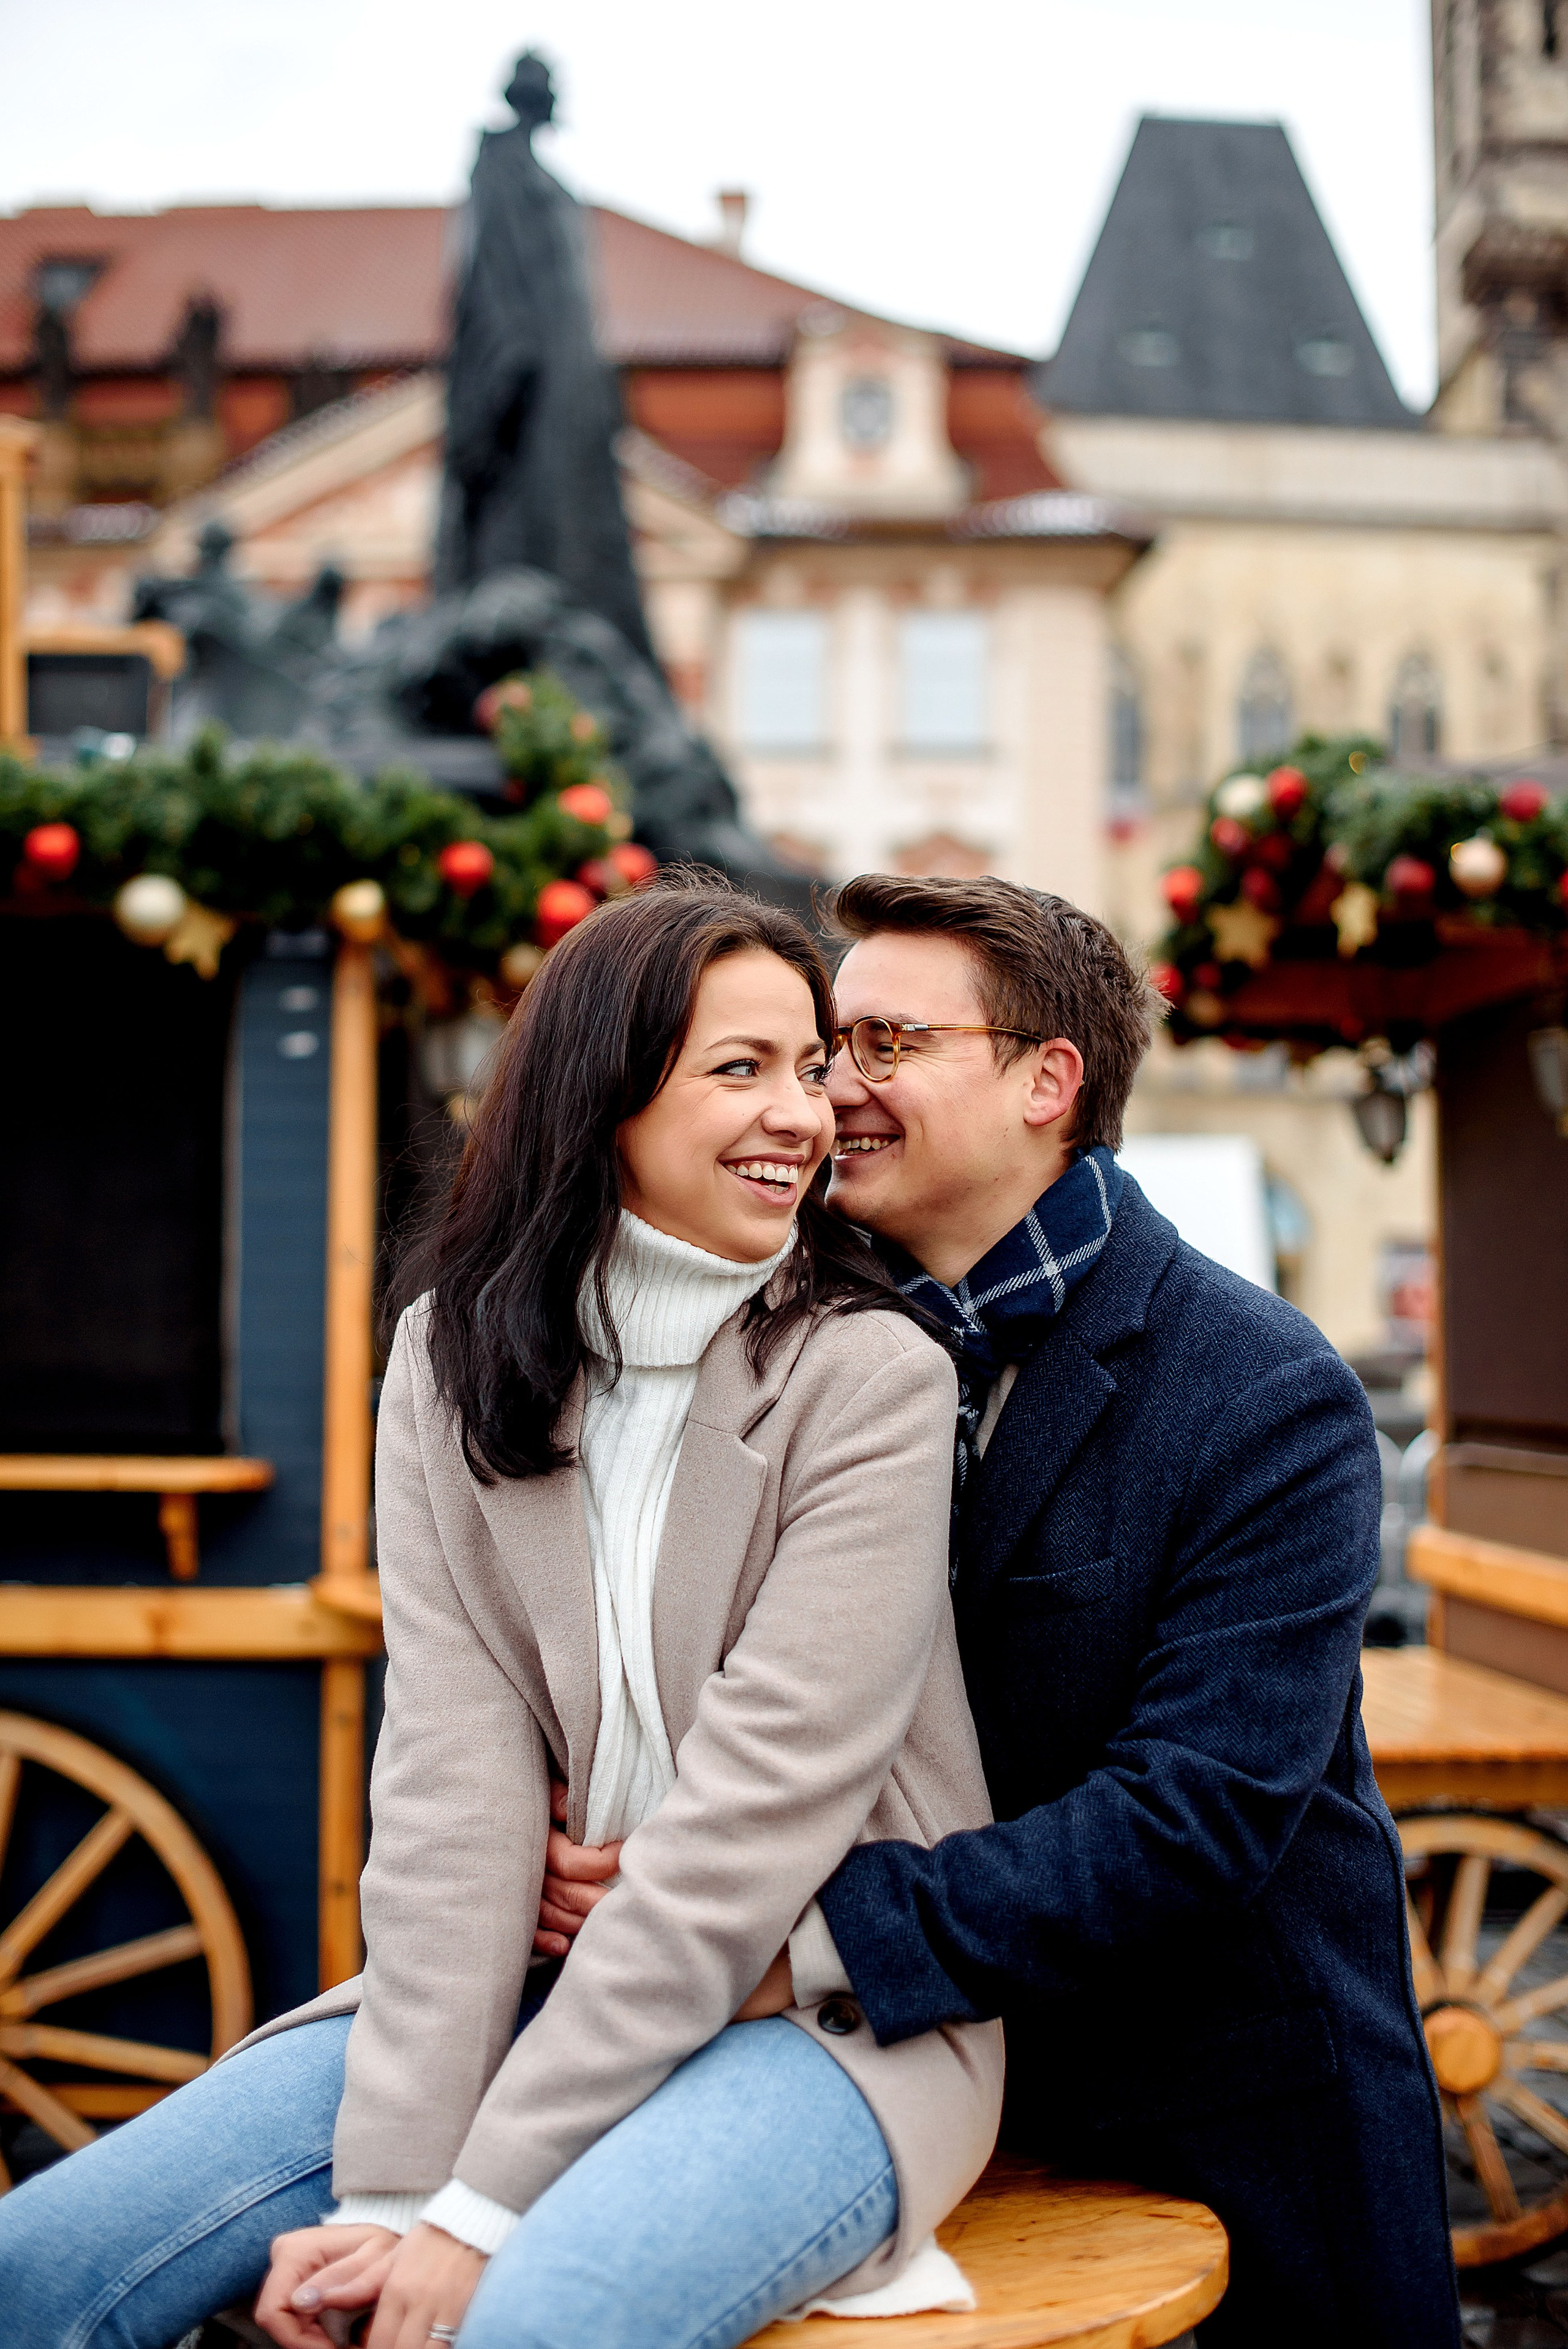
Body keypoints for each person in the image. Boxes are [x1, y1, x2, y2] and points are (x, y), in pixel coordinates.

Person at [0, 878, 1002, 2349]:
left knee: (531, 2323)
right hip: (524, 1992)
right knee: (38, 2266)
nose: (800, 1113)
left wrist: (478, 2215)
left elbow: (750, 1826)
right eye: (739, 1069)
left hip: (812, 2022)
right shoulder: (447, 1359)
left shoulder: (868, 1380)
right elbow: (451, 1790)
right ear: (601, 1098)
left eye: (807, 1068)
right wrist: (398, 2193)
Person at [540, 873, 1463, 2348]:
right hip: (872, 2091)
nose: (829, 1088)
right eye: (822, 1046)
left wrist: (784, 1942)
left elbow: (1192, 1817)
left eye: (885, 1044)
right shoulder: (788, 1337)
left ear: (1048, 1081)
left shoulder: (1264, 1388)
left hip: (1211, 2113)